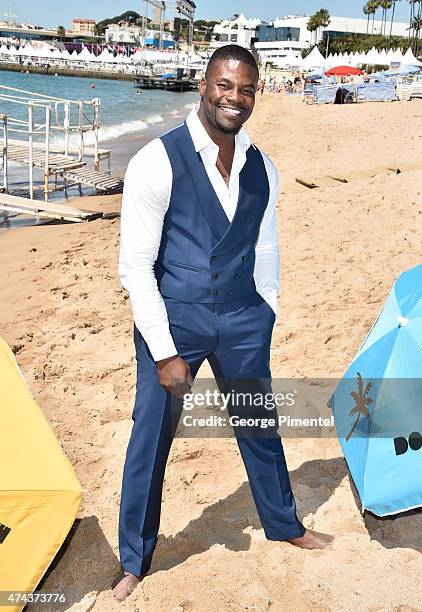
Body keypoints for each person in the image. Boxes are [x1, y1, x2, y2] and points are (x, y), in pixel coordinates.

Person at [113, 44, 333, 602]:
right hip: (175, 318)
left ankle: (284, 524)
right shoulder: (155, 161)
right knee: (150, 438)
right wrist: (163, 351)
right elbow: (136, 267)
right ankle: (135, 560)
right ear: (203, 86)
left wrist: (267, 311)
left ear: (256, 92)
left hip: (242, 316)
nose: (235, 97)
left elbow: (265, 245)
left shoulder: (264, 166)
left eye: (246, 88)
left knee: (260, 424)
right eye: (224, 85)